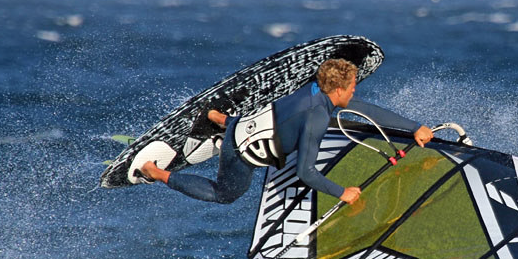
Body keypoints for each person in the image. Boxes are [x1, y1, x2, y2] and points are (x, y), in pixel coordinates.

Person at [140, 58, 434, 204]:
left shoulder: (315, 88)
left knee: (278, 121)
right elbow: (306, 173)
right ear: (340, 89)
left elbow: (365, 110)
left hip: (247, 122)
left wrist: (414, 127)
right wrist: (341, 192)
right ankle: (158, 172)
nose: (356, 89)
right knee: (226, 194)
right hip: (240, 151)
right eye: (353, 85)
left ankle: (219, 118)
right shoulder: (317, 118)